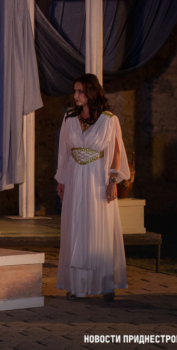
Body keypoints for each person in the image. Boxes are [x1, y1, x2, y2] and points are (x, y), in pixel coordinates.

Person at [55, 73, 130, 301]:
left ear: (92, 92)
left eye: (81, 91)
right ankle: (78, 286)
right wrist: (61, 179)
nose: (76, 95)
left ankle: (105, 284)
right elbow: (64, 153)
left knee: (99, 227)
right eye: (75, 91)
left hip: (98, 179)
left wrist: (112, 181)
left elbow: (116, 152)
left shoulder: (108, 120)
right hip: (75, 179)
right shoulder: (69, 118)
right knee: (77, 228)